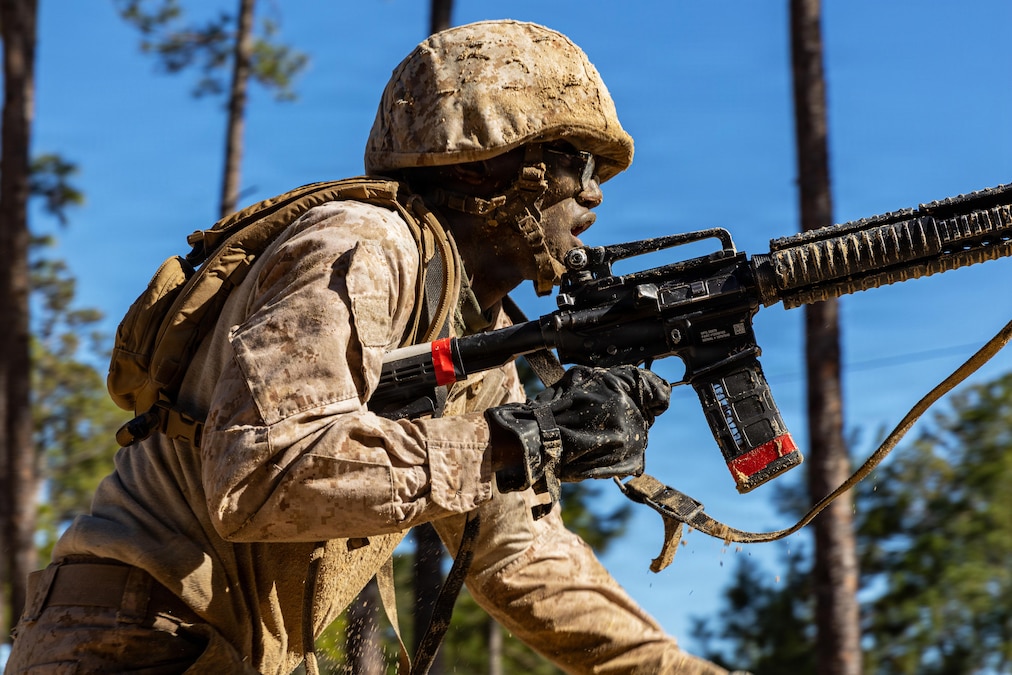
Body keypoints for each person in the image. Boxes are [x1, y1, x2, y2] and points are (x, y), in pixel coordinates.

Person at [5, 20, 731, 675]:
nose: (596, 195)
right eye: (579, 162)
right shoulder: (359, 243)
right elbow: (264, 473)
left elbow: (521, 553)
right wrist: (516, 444)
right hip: (127, 639)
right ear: (484, 165)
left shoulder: (476, 337)